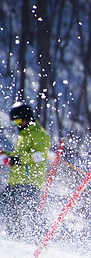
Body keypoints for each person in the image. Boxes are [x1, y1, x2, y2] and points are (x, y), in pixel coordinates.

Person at [0, 102, 50, 240]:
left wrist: (18, 159)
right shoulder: (23, 136)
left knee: (30, 211)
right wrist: (6, 155)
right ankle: (15, 238)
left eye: (18, 121)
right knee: (7, 208)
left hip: (29, 182)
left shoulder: (39, 134)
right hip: (15, 181)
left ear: (27, 118)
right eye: (14, 122)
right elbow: (18, 157)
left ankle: (44, 238)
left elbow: (39, 155)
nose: (17, 125)